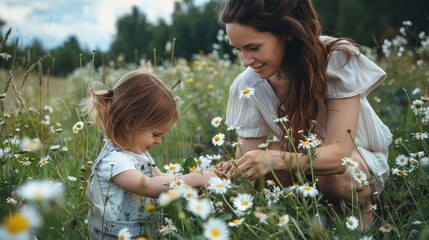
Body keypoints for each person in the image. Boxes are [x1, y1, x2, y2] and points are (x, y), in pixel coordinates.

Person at [217, 0, 392, 229]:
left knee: (327, 175)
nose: (245, 62)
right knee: (256, 166)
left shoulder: (333, 58)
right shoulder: (248, 84)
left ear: (286, 33)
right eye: (238, 50)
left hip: (357, 163)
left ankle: (363, 215)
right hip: (302, 161)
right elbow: (248, 164)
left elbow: (339, 156)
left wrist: (272, 158)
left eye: (253, 47)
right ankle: (311, 221)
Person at [83, 70, 215, 239]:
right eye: (155, 134)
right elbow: (150, 186)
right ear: (130, 124)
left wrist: (198, 176)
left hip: (144, 233)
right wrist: (195, 179)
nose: (158, 141)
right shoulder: (113, 162)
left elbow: (163, 178)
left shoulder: (140, 155)